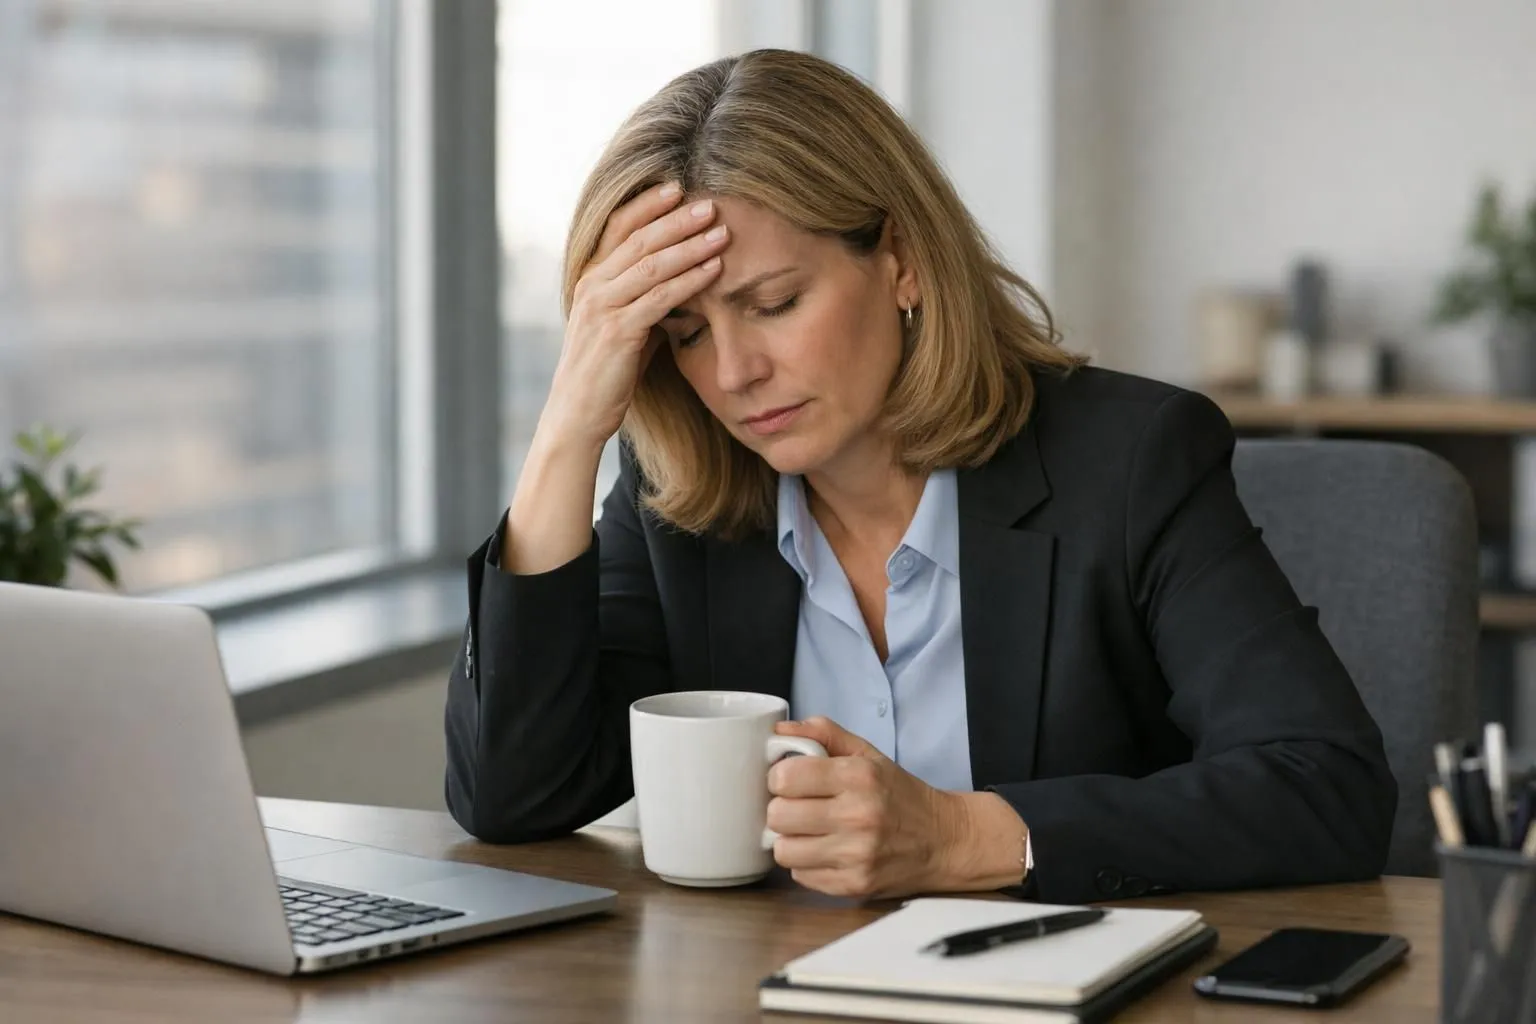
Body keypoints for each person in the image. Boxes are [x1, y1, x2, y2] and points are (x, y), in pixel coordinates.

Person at [444, 48, 1395, 905]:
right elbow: (514, 794)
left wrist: (963, 837)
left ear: (900, 260)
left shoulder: (1133, 459)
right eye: (685, 336)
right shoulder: (676, 495)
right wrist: (568, 429)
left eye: (772, 303)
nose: (732, 375)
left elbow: (1328, 786)